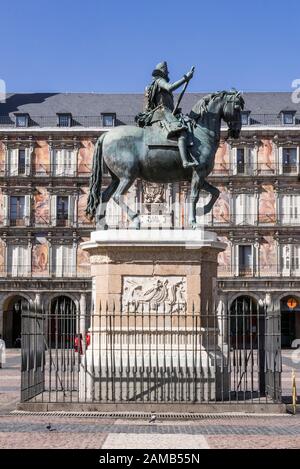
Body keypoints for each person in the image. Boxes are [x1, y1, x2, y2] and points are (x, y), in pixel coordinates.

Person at [142, 61, 199, 169]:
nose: (168, 73)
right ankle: (185, 161)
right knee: (182, 132)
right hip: (162, 113)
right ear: (163, 71)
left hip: (168, 112)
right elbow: (170, 87)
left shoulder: (158, 82)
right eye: (166, 71)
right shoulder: (159, 81)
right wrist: (185, 78)